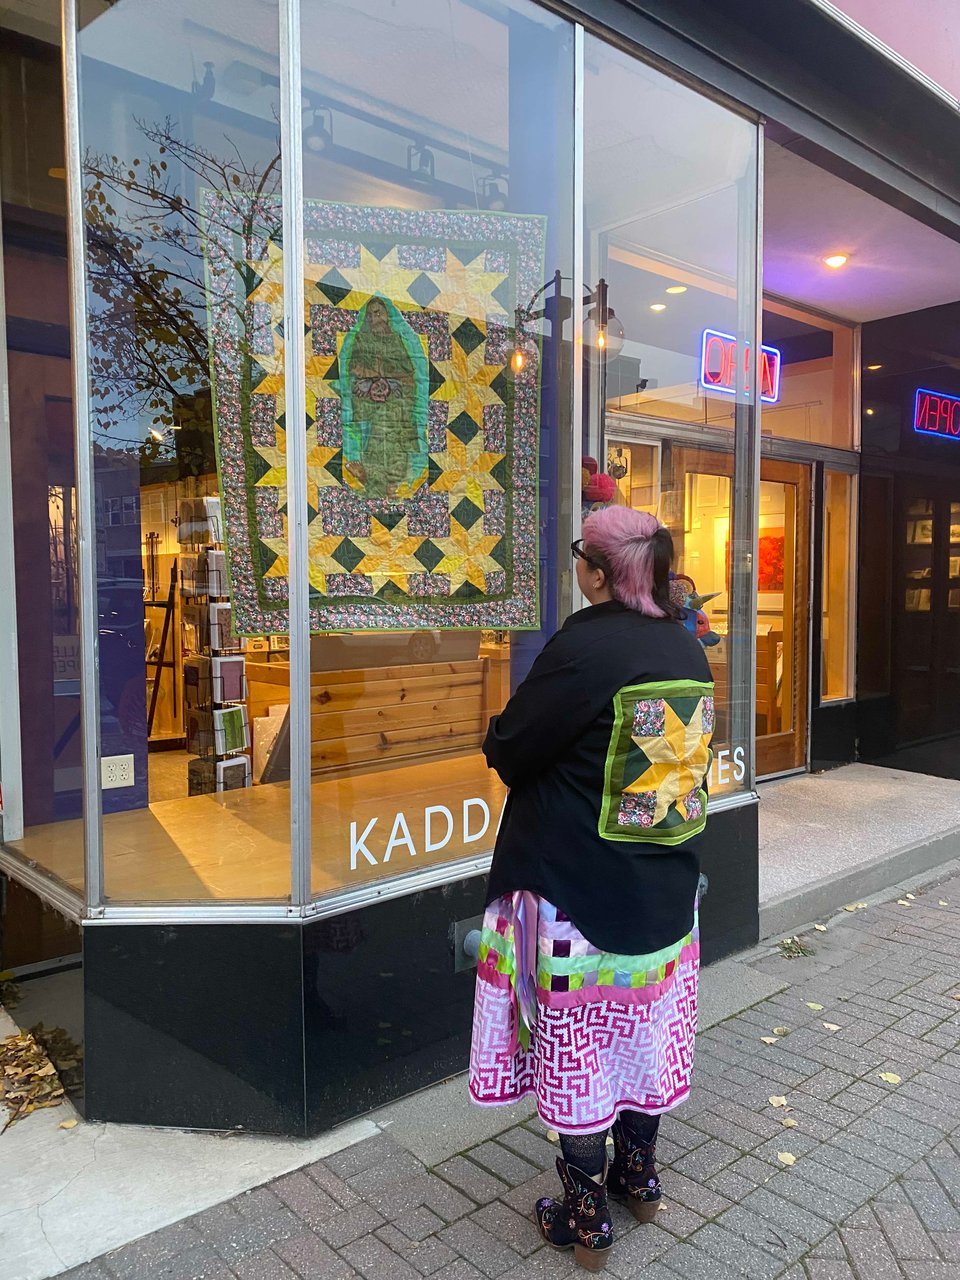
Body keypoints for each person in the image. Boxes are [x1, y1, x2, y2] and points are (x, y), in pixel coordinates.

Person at [469, 505, 714, 1272]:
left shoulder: (584, 647)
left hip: (579, 897)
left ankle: (584, 1218)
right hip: (665, 894)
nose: (576, 564)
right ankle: (638, 1177)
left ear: (601, 574)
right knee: (642, 1037)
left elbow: (511, 748)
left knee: (579, 1047)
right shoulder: (687, 647)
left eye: (582, 555)